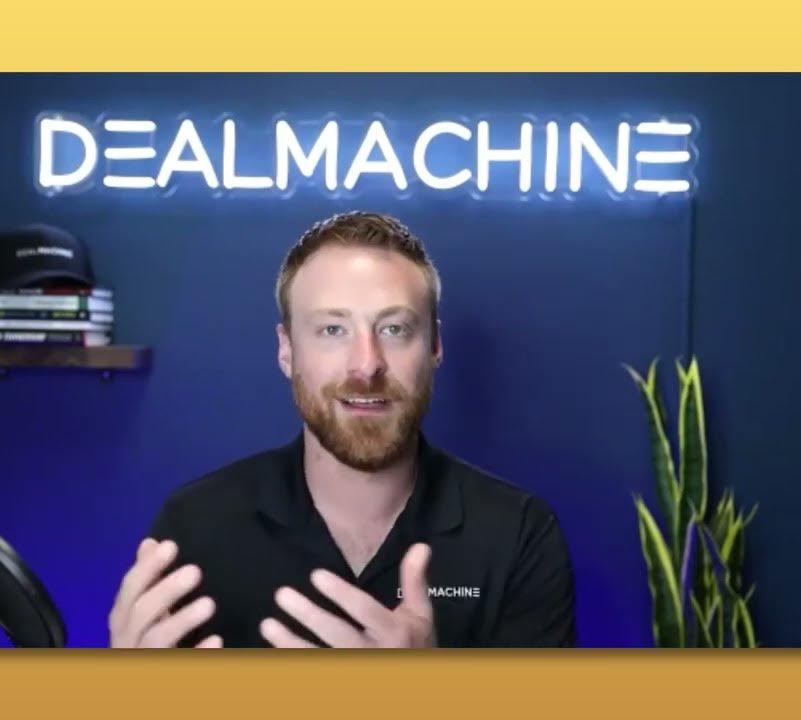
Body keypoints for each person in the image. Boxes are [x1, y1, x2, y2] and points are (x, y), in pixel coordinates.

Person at [108, 211, 576, 648]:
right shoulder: (197, 524)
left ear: (434, 345)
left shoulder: (518, 533)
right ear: (287, 350)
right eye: (333, 330)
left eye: (394, 329)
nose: (366, 365)